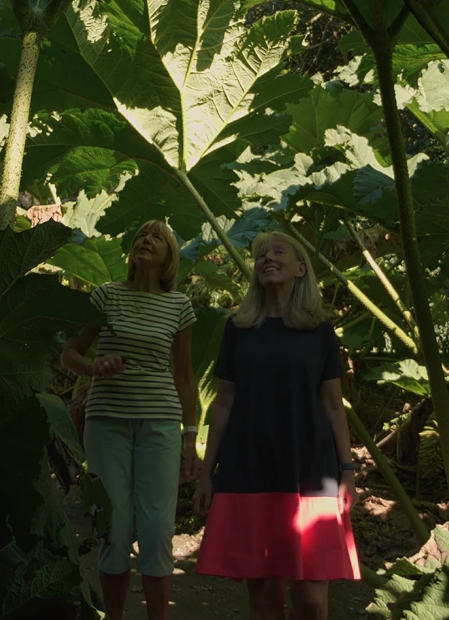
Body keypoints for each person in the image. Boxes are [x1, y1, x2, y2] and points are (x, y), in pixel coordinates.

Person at [194, 230, 360, 620]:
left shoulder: (320, 330)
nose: (267, 257)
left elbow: (334, 407)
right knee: (265, 599)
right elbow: (224, 404)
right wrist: (206, 474)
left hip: (311, 468)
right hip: (250, 468)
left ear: (301, 268)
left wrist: (348, 470)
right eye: (261, 254)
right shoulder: (238, 328)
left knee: (312, 599)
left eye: (278, 251)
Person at [60, 220, 198, 620]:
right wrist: (93, 367)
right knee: (113, 528)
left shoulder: (179, 306)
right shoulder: (106, 296)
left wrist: (190, 436)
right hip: (107, 423)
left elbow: (185, 377)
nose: (145, 240)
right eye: (140, 235)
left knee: (157, 531)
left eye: (156, 237)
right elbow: (71, 353)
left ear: (169, 256)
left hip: (160, 423)